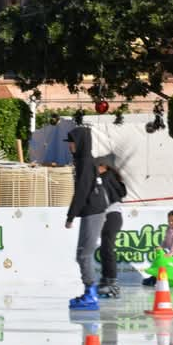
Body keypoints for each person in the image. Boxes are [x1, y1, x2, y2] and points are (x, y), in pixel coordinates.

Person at [65, 127, 109, 310]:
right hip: (92, 211)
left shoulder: (84, 162)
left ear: (80, 143)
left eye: (72, 142)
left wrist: (71, 216)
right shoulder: (84, 161)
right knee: (81, 254)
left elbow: (82, 191)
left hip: (94, 211)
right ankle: (88, 290)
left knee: (84, 254)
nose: (70, 146)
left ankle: (90, 294)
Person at [95, 157, 127, 298]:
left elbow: (113, 193)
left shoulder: (106, 176)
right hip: (108, 216)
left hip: (112, 215)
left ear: (104, 167)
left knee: (107, 248)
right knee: (104, 249)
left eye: (96, 167)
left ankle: (112, 282)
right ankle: (106, 279)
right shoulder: (105, 177)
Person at [143, 210, 173, 286]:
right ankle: (154, 278)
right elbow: (166, 240)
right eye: (169, 221)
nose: (170, 223)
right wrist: (161, 246)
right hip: (172, 253)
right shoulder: (169, 229)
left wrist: (171, 253)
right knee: (162, 263)